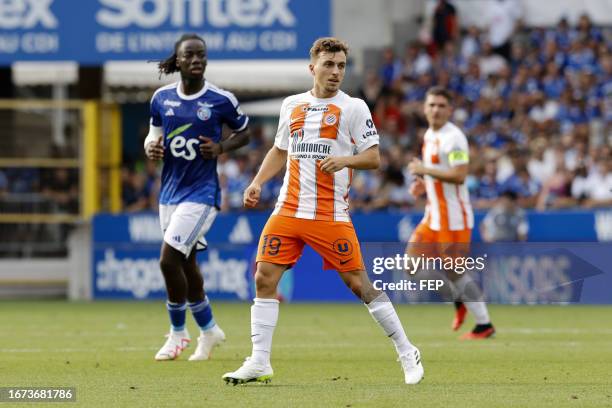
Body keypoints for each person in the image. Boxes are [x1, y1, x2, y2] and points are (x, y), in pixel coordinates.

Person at [222, 37, 424, 385]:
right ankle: (259, 361)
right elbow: (279, 150)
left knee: (358, 283)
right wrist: (256, 182)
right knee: (263, 278)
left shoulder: (354, 107)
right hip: (287, 209)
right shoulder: (291, 105)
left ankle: (407, 350)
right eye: (329, 64)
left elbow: (373, 157)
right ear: (312, 66)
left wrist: (345, 159)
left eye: (341, 65)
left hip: (329, 214)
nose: (335, 72)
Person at [144, 34, 251, 361]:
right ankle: (209, 331)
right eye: (189, 55)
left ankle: (178, 334)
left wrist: (220, 147)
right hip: (170, 193)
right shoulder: (161, 98)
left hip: (202, 195)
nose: (196, 60)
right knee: (186, 264)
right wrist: (151, 147)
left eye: (201, 55)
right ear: (177, 60)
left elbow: (244, 132)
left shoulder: (220, 100)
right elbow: (153, 136)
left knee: (167, 260)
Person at [406, 86, 495, 339]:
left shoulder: (454, 138)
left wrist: (425, 169)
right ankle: (459, 298)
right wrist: (424, 184)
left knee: (456, 271)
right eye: (432, 104)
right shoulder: (429, 135)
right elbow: (440, 172)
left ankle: (484, 324)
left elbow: (459, 174)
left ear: (450, 110)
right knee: (411, 266)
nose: (435, 109)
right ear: (424, 108)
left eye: (441, 105)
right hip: (432, 215)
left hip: (454, 218)